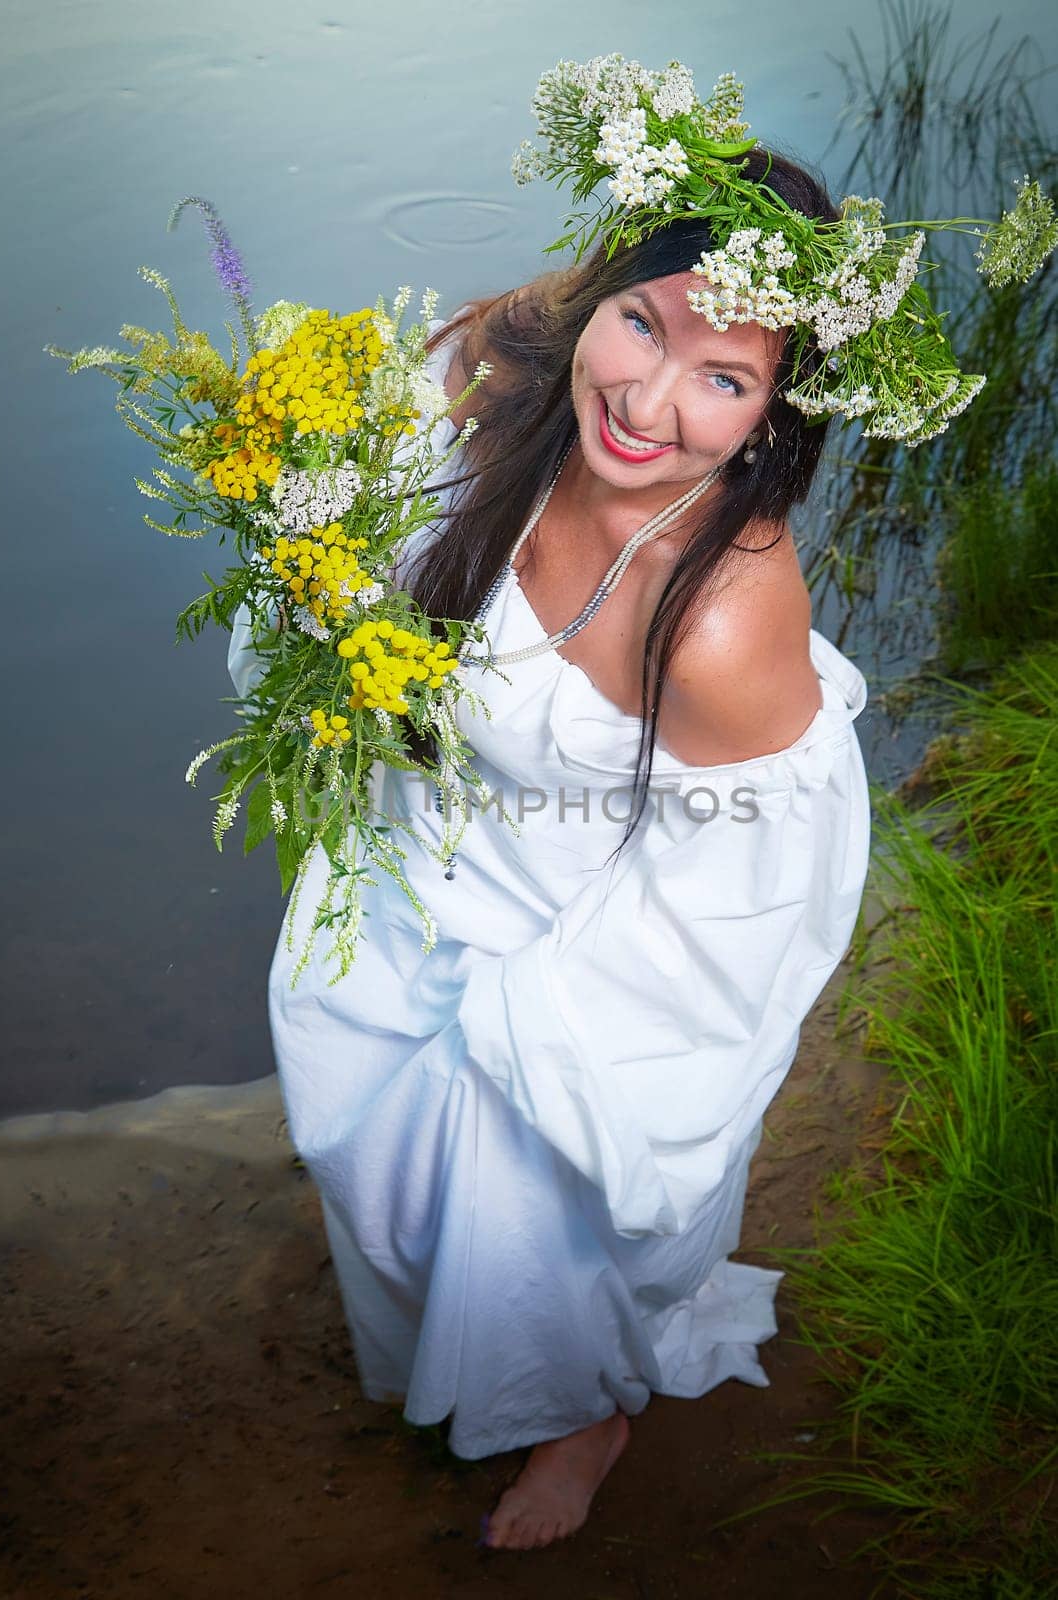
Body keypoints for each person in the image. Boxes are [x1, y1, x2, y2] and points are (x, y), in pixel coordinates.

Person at [228, 131, 872, 1552]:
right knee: (378, 1148)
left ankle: (582, 1412)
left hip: (601, 917)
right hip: (429, 828)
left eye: (723, 376)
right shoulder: (487, 375)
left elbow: (750, 876)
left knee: (528, 1168)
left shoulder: (719, 608)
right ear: (595, 297)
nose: (645, 401)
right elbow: (356, 557)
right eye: (640, 322)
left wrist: (547, 1011)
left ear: (774, 411)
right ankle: (469, 1341)